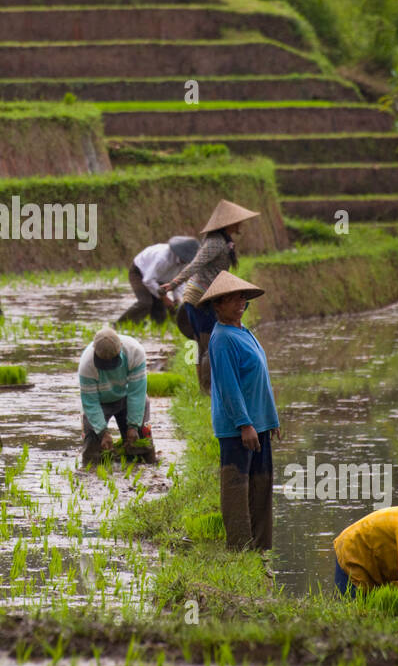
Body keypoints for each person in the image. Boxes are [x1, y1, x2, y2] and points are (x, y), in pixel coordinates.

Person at [202, 270, 280, 553]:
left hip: (259, 424)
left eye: (242, 298)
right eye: (232, 299)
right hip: (239, 429)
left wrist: (271, 419)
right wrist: (244, 424)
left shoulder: (244, 332)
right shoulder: (222, 339)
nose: (240, 303)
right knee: (237, 487)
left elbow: (261, 380)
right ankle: (239, 549)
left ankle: (260, 549)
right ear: (218, 305)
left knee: (261, 486)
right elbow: (229, 387)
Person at [162, 200, 260, 392]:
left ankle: (206, 388)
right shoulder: (215, 243)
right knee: (208, 345)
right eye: (237, 220)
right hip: (200, 300)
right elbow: (195, 264)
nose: (240, 224)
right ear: (227, 223)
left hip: (206, 297)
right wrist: (174, 284)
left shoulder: (223, 241)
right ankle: (208, 390)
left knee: (204, 345)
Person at [78, 327, 152, 466]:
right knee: (93, 453)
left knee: (140, 448)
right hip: (100, 402)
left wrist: (133, 426)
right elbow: (90, 403)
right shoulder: (86, 365)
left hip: (127, 398)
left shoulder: (135, 352)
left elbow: (137, 392)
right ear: (95, 352)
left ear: (121, 349)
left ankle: (140, 469)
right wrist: (102, 432)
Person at [116, 236, 200, 323]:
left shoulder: (186, 262)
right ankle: (119, 324)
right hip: (140, 273)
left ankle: (151, 324)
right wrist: (164, 298)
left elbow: (178, 281)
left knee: (161, 314)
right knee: (145, 302)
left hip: (160, 278)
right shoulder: (163, 259)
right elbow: (148, 280)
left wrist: (177, 299)